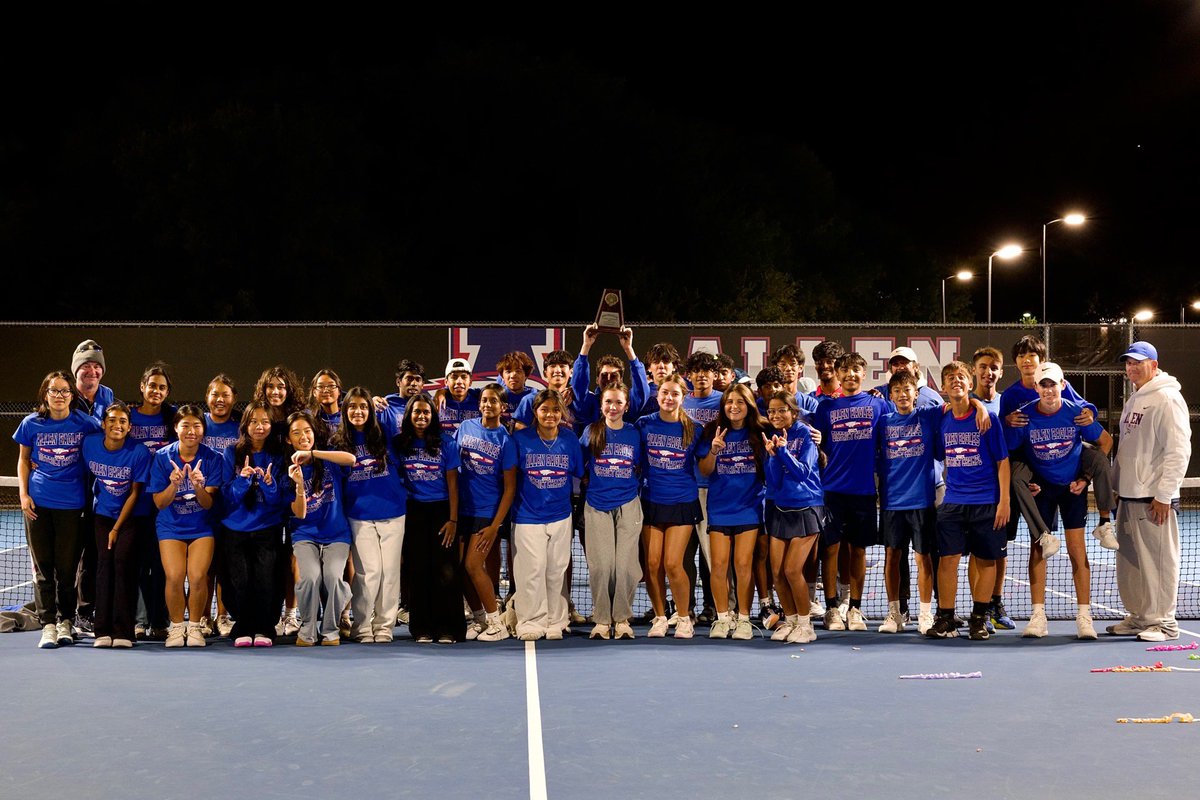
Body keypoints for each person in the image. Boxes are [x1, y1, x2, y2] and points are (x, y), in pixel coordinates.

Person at [1005, 362, 1112, 640]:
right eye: (1044, 384)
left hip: (1071, 488)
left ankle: (1084, 616)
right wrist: (1023, 479)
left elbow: (1106, 442)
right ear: (1036, 387)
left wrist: (1086, 479)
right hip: (1041, 489)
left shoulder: (1076, 413)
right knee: (1038, 550)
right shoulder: (1024, 416)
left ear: (1062, 385)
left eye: (1053, 384)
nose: (1049, 389)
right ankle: (1038, 616)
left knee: (1078, 550)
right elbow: (1009, 453)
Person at [1109, 341, 1190, 642]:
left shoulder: (1167, 399)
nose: (1131, 368)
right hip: (1128, 496)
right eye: (1128, 363)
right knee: (1130, 562)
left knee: (1158, 561)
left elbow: (1179, 451)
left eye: (1138, 363)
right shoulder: (1135, 399)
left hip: (1153, 498)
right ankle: (1140, 617)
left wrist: (1164, 495)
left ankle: (1164, 622)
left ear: (1154, 365)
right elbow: (1127, 450)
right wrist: (1116, 486)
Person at [14, 371, 102, 648]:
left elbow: (106, 441)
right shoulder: (31, 424)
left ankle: (66, 621)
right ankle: (48, 624)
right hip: (38, 506)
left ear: (72, 396)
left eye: (65, 391)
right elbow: (23, 460)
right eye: (54, 391)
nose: (59, 396)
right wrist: (24, 494)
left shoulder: (86, 424)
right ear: (45, 394)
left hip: (72, 506)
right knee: (43, 569)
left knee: (66, 570)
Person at [926, 362, 1010, 641]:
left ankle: (978, 618)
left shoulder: (988, 418)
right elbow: (939, 453)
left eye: (961, 377)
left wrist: (1004, 501)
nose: (956, 381)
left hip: (987, 501)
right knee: (947, 561)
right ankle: (946, 618)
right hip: (953, 501)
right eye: (950, 378)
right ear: (943, 387)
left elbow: (1002, 461)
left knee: (986, 561)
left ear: (970, 383)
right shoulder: (942, 418)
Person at [811, 352, 891, 631]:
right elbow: (817, 450)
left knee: (858, 551)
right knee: (830, 550)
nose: (850, 376)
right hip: (831, 491)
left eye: (855, 370)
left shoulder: (879, 406)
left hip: (864, 491)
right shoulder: (825, 408)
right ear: (838, 374)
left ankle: (855, 608)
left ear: (864, 373)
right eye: (844, 371)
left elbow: (887, 446)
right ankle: (832, 608)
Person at [148, 405, 228, 647]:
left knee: (197, 576)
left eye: (196, 426)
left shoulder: (214, 458)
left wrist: (197, 486)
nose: (191, 431)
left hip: (202, 527)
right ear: (176, 428)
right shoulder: (162, 458)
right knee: (173, 576)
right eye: (185, 425)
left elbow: (207, 504)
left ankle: (194, 627)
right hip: (170, 526)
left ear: (203, 430)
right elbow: (160, 503)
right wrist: (174, 485)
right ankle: (176, 627)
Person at [334, 387, 408, 644]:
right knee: (368, 572)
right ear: (345, 410)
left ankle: (384, 625)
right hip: (359, 515)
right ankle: (362, 625)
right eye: (352, 406)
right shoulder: (338, 442)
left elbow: (399, 414)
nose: (358, 411)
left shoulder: (385, 434)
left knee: (389, 572)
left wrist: (382, 400)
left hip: (393, 512)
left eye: (363, 406)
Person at [696, 384, 768, 640]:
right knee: (718, 565)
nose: (734, 406)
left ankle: (745, 619)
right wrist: (714, 450)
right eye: (729, 402)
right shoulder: (711, 432)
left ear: (749, 405)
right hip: (719, 508)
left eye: (740, 402)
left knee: (743, 564)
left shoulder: (761, 432)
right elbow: (704, 471)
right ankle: (723, 618)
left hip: (748, 507)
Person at [511, 390, 584, 640]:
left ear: (561, 413)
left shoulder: (570, 439)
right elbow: (510, 479)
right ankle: (531, 620)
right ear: (535, 412)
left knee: (556, 570)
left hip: (561, 514)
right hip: (526, 516)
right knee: (531, 570)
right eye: (545, 410)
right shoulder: (519, 439)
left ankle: (557, 620)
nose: (550, 415)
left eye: (555, 410)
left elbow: (578, 472)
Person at [636, 374, 702, 638]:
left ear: (683, 397)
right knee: (652, 565)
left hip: (682, 501)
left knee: (674, 563)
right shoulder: (643, 425)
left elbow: (705, 464)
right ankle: (660, 617)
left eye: (675, 393)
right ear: (657, 394)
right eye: (664, 392)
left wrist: (716, 450)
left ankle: (684, 618)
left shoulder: (694, 428)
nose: (668, 398)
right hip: (651, 500)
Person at [283, 410, 356, 646]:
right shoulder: (288, 470)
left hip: (336, 534)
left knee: (333, 577)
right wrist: (299, 486)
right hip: (305, 535)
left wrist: (312, 453)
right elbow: (300, 513)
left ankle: (331, 629)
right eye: (296, 433)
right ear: (288, 439)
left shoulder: (329, 460)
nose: (303, 436)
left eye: (307, 431)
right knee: (311, 577)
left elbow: (351, 460)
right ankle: (307, 628)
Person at [82, 401, 152, 648]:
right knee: (104, 564)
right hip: (102, 514)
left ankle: (124, 631)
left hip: (133, 516)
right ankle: (102, 629)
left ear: (129, 427)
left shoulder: (139, 452)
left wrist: (116, 528)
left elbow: (135, 494)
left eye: (123, 421)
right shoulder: (89, 444)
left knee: (124, 563)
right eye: (112, 419)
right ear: (103, 423)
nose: (117, 425)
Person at [396, 394, 465, 643]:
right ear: (409, 415)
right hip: (413, 513)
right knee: (418, 570)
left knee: (446, 571)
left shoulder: (446, 443)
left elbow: (453, 484)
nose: (421, 416)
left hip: (442, 512)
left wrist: (453, 519)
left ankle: (449, 628)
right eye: (417, 412)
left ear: (432, 415)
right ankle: (422, 628)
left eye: (426, 412)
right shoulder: (400, 443)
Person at [580, 383, 642, 640]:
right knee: (602, 567)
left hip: (629, 504)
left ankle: (623, 619)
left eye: (618, 402)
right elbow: (579, 464)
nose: (613, 407)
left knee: (626, 568)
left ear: (626, 406)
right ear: (601, 404)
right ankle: (603, 620)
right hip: (596, 505)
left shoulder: (634, 433)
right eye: (608, 402)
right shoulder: (590, 431)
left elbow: (641, 465)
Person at [221, 402, 286, 647]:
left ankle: (264, 627)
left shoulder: (278, 455)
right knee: (239, 580)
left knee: (266, 579)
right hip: (235, 527)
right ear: (245, 424)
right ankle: (243, 626)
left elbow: (277, 499)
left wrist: (269, 484)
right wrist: (242, 480)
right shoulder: (231, 452)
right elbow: (226, 495)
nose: (259, 427)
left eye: (265, 422)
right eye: (254, 421)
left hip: (267, 527)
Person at [456, 383, 517, 642]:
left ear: (503, 407)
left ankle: (496, 622)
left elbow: (510, 488)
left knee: (472, 564)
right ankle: (480, 619)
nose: (488, 405)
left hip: (486, 512)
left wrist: (495, 525)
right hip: (462, 510)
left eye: (494, 401)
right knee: (460, 568)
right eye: (484, 400)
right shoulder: (465, 428)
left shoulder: (506, 440)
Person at [762, 391, 824, 644]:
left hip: (807, 507)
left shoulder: (806, 435)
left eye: (781, 410)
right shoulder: (773, 438)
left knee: (792, 569)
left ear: (793, 412)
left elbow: (803, 473)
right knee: (777, 572)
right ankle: (790, 621)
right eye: (771, 411)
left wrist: (784, 452)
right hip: (779, 508)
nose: (776, 415)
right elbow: (774, 480)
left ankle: (806, 625)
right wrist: (774, 456)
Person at [253, 366, 305, 636]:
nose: (275, 391)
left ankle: (292, 614)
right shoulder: (256, 417)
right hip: (268, 498)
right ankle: (270, 614)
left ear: (289, 390)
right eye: (271, 386)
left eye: (281, 387)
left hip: (296, 491)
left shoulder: (299, 417)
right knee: (272, 558)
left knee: (294, 556)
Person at [71, 339, 114, 634]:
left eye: (97, 366)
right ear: (76, 370)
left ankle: (86, 610)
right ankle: (62, 612)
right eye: (86, 365)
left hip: (99, 487)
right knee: (67, 553)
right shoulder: (63, 394)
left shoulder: (107, 395)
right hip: (67, 486)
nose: (92, 370)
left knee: (94, 551)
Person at [438, 358, 482, 436]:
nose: (459, 381)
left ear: (470, 382)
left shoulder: (481, 399)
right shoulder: (436, 402)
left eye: (464, 377)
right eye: (454, 377)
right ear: (446, 382)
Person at [496, 351, 537, 430]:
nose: (513, 375)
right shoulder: (494, 395)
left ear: (526, 375)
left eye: (518, 371)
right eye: (508, 371)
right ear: (502, 377)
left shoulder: (536, 396)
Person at [309, 368, 344, 435]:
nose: (326, 390)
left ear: (339, 390)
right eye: (320, 386)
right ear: (314, 392)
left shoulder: (348, 415)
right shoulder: (308, 417)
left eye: (331, 386)